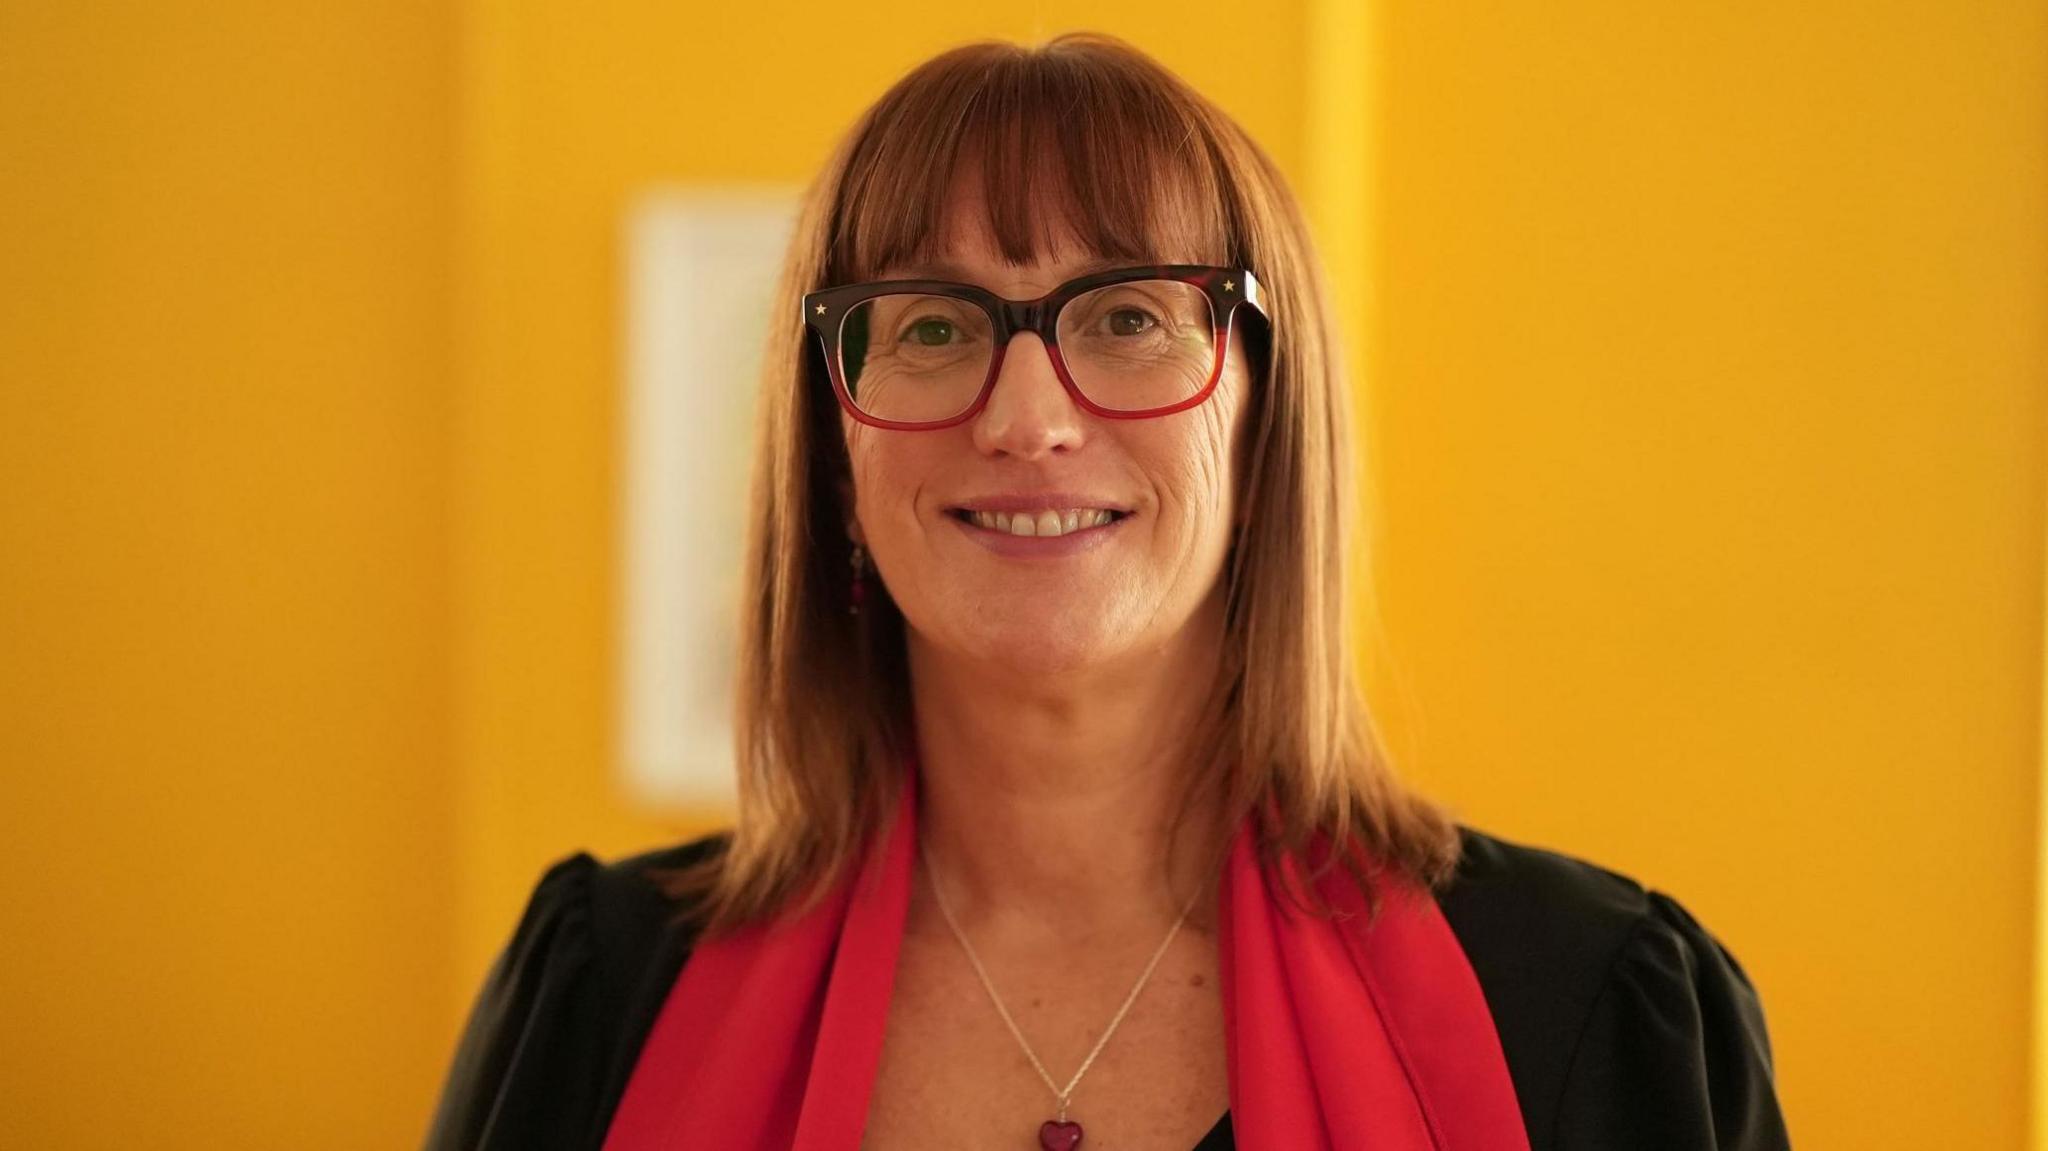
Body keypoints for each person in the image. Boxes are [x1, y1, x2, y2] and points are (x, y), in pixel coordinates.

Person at [425, 32, 1791, 1151]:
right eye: (935, 326)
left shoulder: (1585, 1004)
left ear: (1267, 429)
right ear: (834, 451)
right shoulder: (602, 996)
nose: (1028, 418)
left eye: (1129, 316)